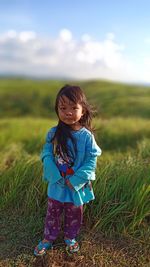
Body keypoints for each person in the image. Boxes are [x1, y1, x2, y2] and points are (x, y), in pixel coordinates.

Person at [34, 84, 102, 256]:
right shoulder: (54, 133)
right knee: (52, 212)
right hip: (57, 184)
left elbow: (91, 159)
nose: (68, 112)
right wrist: (53, 174)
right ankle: (48, 238)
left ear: (83, 111)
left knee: (74, 215)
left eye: (74, 108)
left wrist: (77, 180)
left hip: (75, 186)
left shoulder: (86, 136)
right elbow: (46, 153)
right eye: (63, 108)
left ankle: (70, 238)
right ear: (57, 110)